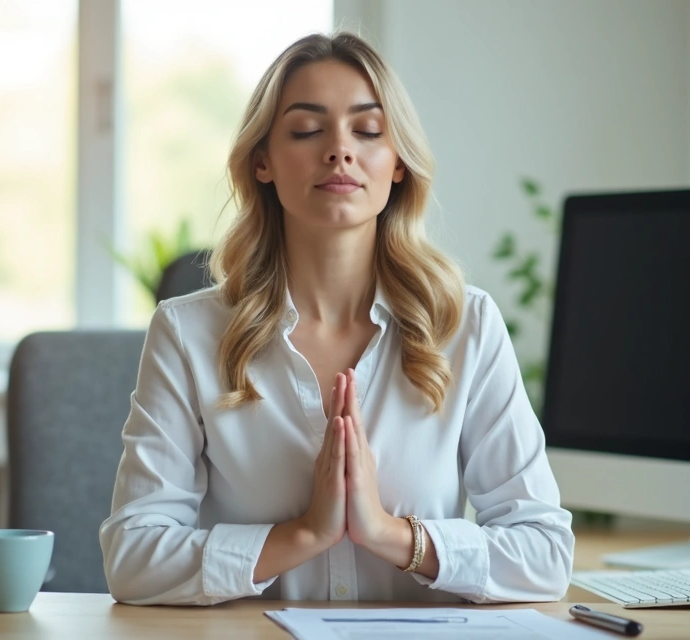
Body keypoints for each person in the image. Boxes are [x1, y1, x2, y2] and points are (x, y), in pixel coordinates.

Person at [99, 31, 573, 605]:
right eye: (306, 130)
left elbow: (546, 553)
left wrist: (389, 534)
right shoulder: (187, 334)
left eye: (368, 130)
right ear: (263, 163)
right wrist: (303, 535)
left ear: (398, 163)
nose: (340, 149)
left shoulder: (465, 325)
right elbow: (132, 558)